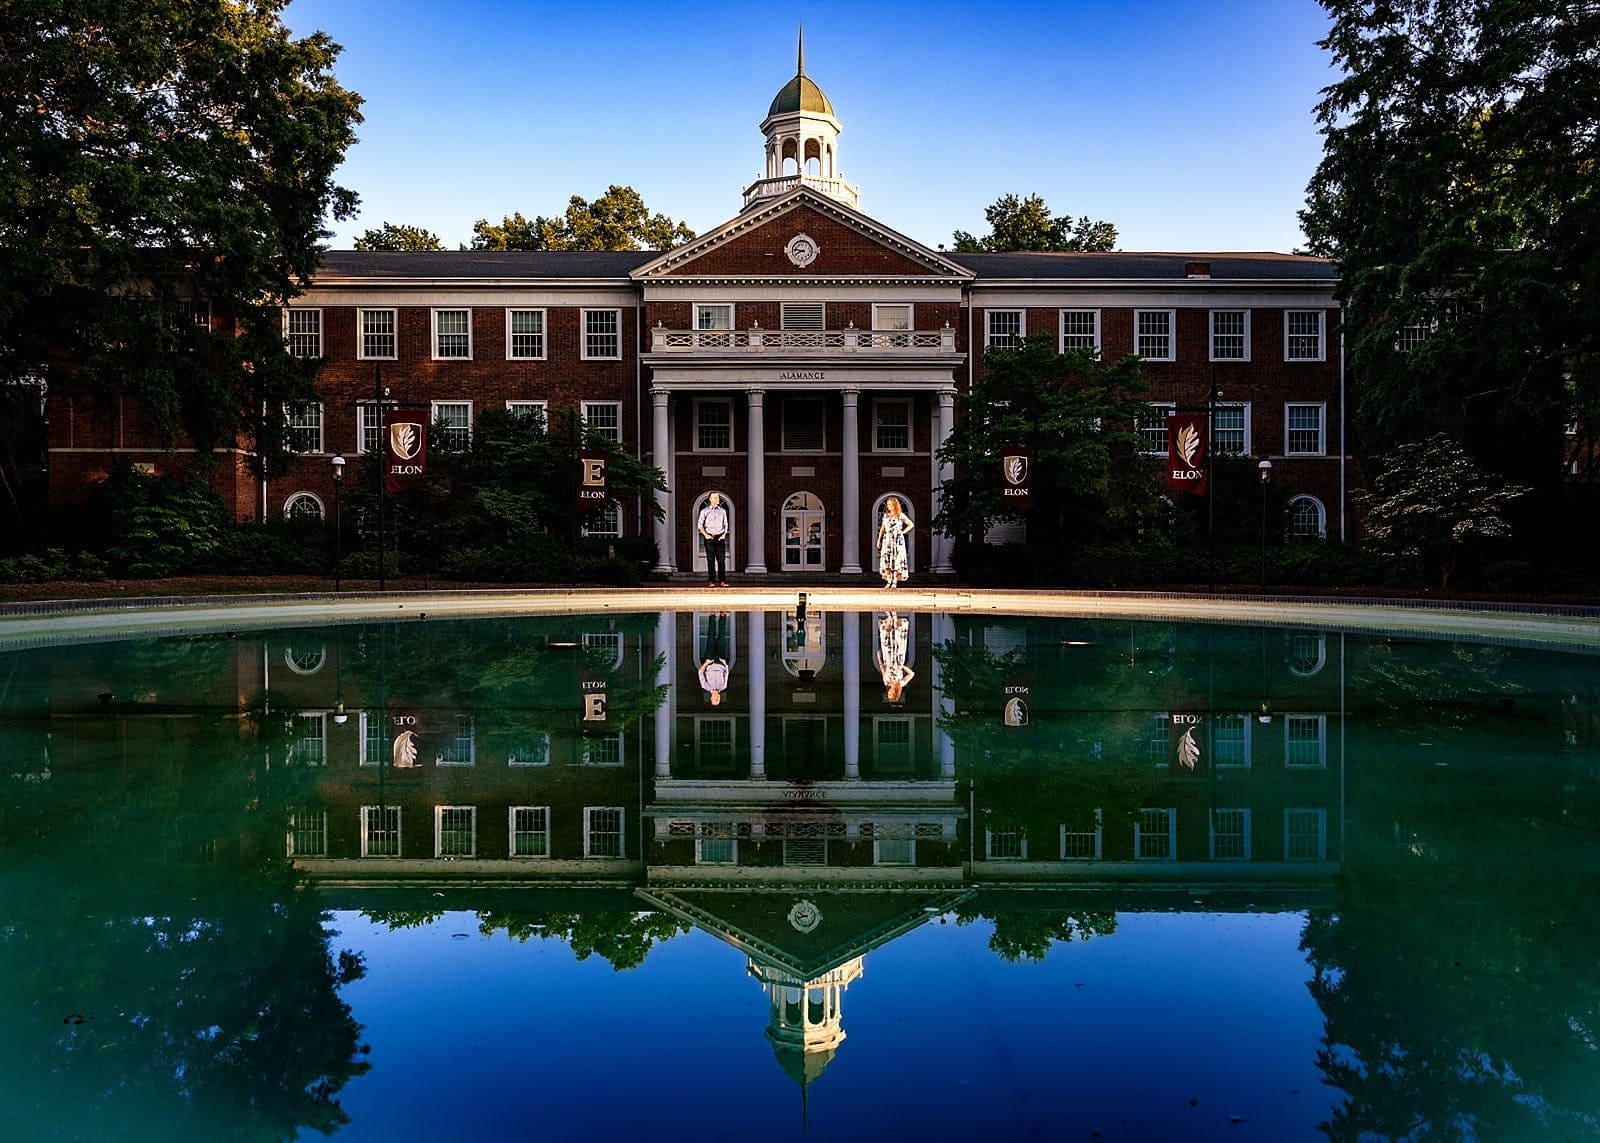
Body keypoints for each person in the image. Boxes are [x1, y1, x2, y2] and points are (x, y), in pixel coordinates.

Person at [875, 610, 915, 703]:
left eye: (888, 694)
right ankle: (894, 616)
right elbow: (911, 674)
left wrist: (879, 658)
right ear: (895, 693)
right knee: (897, 639)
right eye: (890, 694)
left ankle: (889, 617)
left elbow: (883, 669)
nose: (888, 692)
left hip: (887, 659)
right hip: (898, 660)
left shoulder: (886, 682)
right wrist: (903, 667)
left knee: (887, 639)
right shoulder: (901, 683)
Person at [876, 496, 913, 589]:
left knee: (897, 560)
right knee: (886, 560)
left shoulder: (900, 515)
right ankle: (889, 580)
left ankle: (895, 581)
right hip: (887, 540)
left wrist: (903, 532)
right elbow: (882, 528)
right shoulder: (885, 516)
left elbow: (911, 525)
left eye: (890, 504)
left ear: (894, 505)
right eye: (887, 504)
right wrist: (879, 539)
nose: (888, 506)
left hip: (897, 540)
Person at [698, 611, 732, 706]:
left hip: (710, 660)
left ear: (711, 697)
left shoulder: (705, 686)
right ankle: (723, 616)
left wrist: (706, 663)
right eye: (718, 699)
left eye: (715, 699)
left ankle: (712, 616)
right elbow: (726, 673)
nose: (717, 697)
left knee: (711, 637)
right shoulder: (723, 686)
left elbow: (700, 672)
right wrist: (725, 663)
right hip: (721, 660)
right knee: (722, 637)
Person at [697, 492, 730, 587]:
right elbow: (700, 525)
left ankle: (722, 581)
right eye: (715, 498)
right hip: (709, 538)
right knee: (711, 560)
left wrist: (724, 534)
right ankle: (711, 581)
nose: (717, 499)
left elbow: (726, 524)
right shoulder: (704, 511)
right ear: (710, 499)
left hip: (720, 538)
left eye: (718, 498)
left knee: (721, 560)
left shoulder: (722, 511)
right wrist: (706, 535)